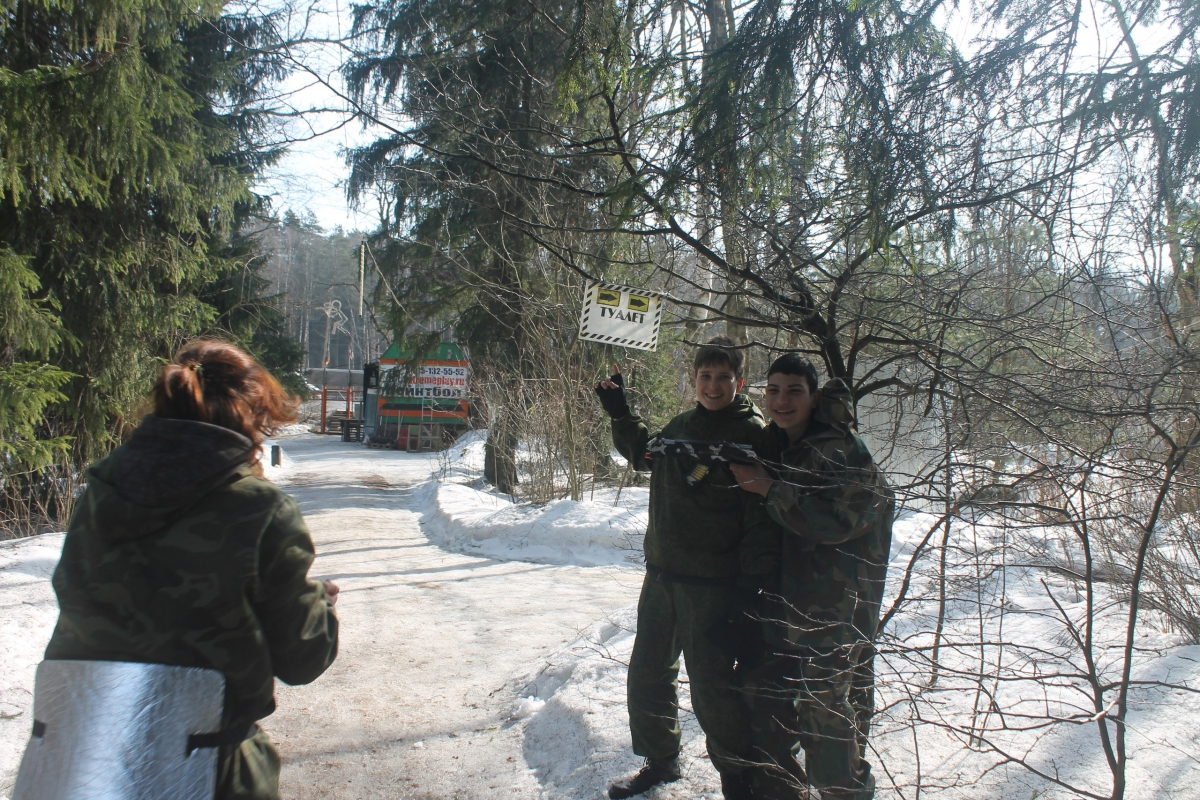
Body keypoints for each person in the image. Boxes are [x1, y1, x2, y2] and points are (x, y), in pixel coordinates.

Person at [42, 339, 340, 800]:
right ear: (249, 417)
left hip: (79, 757)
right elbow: (302, 658)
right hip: (208, 766)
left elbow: (80, 598)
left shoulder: (100, 491)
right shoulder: (261, 510)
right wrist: (320, 606)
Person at [595, 336, 780, 800]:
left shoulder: (752, 436)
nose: (713, 385)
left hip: (713, 587)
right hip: (662, 577)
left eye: (723, 377)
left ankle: (738, 781)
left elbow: (762, 518)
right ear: (694, 379)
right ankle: (661, 760)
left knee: (713, 690)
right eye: (705, 376)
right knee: (648, 675)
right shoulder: (682, 425)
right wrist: (620, 412)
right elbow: (645, 454)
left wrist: (751, 583)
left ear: (740, 382)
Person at [730, 354, 894, 800]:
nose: (782, 401)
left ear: (814, 396)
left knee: (827, 718)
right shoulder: (779, 444)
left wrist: (769, 489)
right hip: (784, 606)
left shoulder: (842, 449)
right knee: (765, 704)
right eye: (774, 390)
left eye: (794, 391)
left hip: (834, 611)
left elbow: (842, 523)